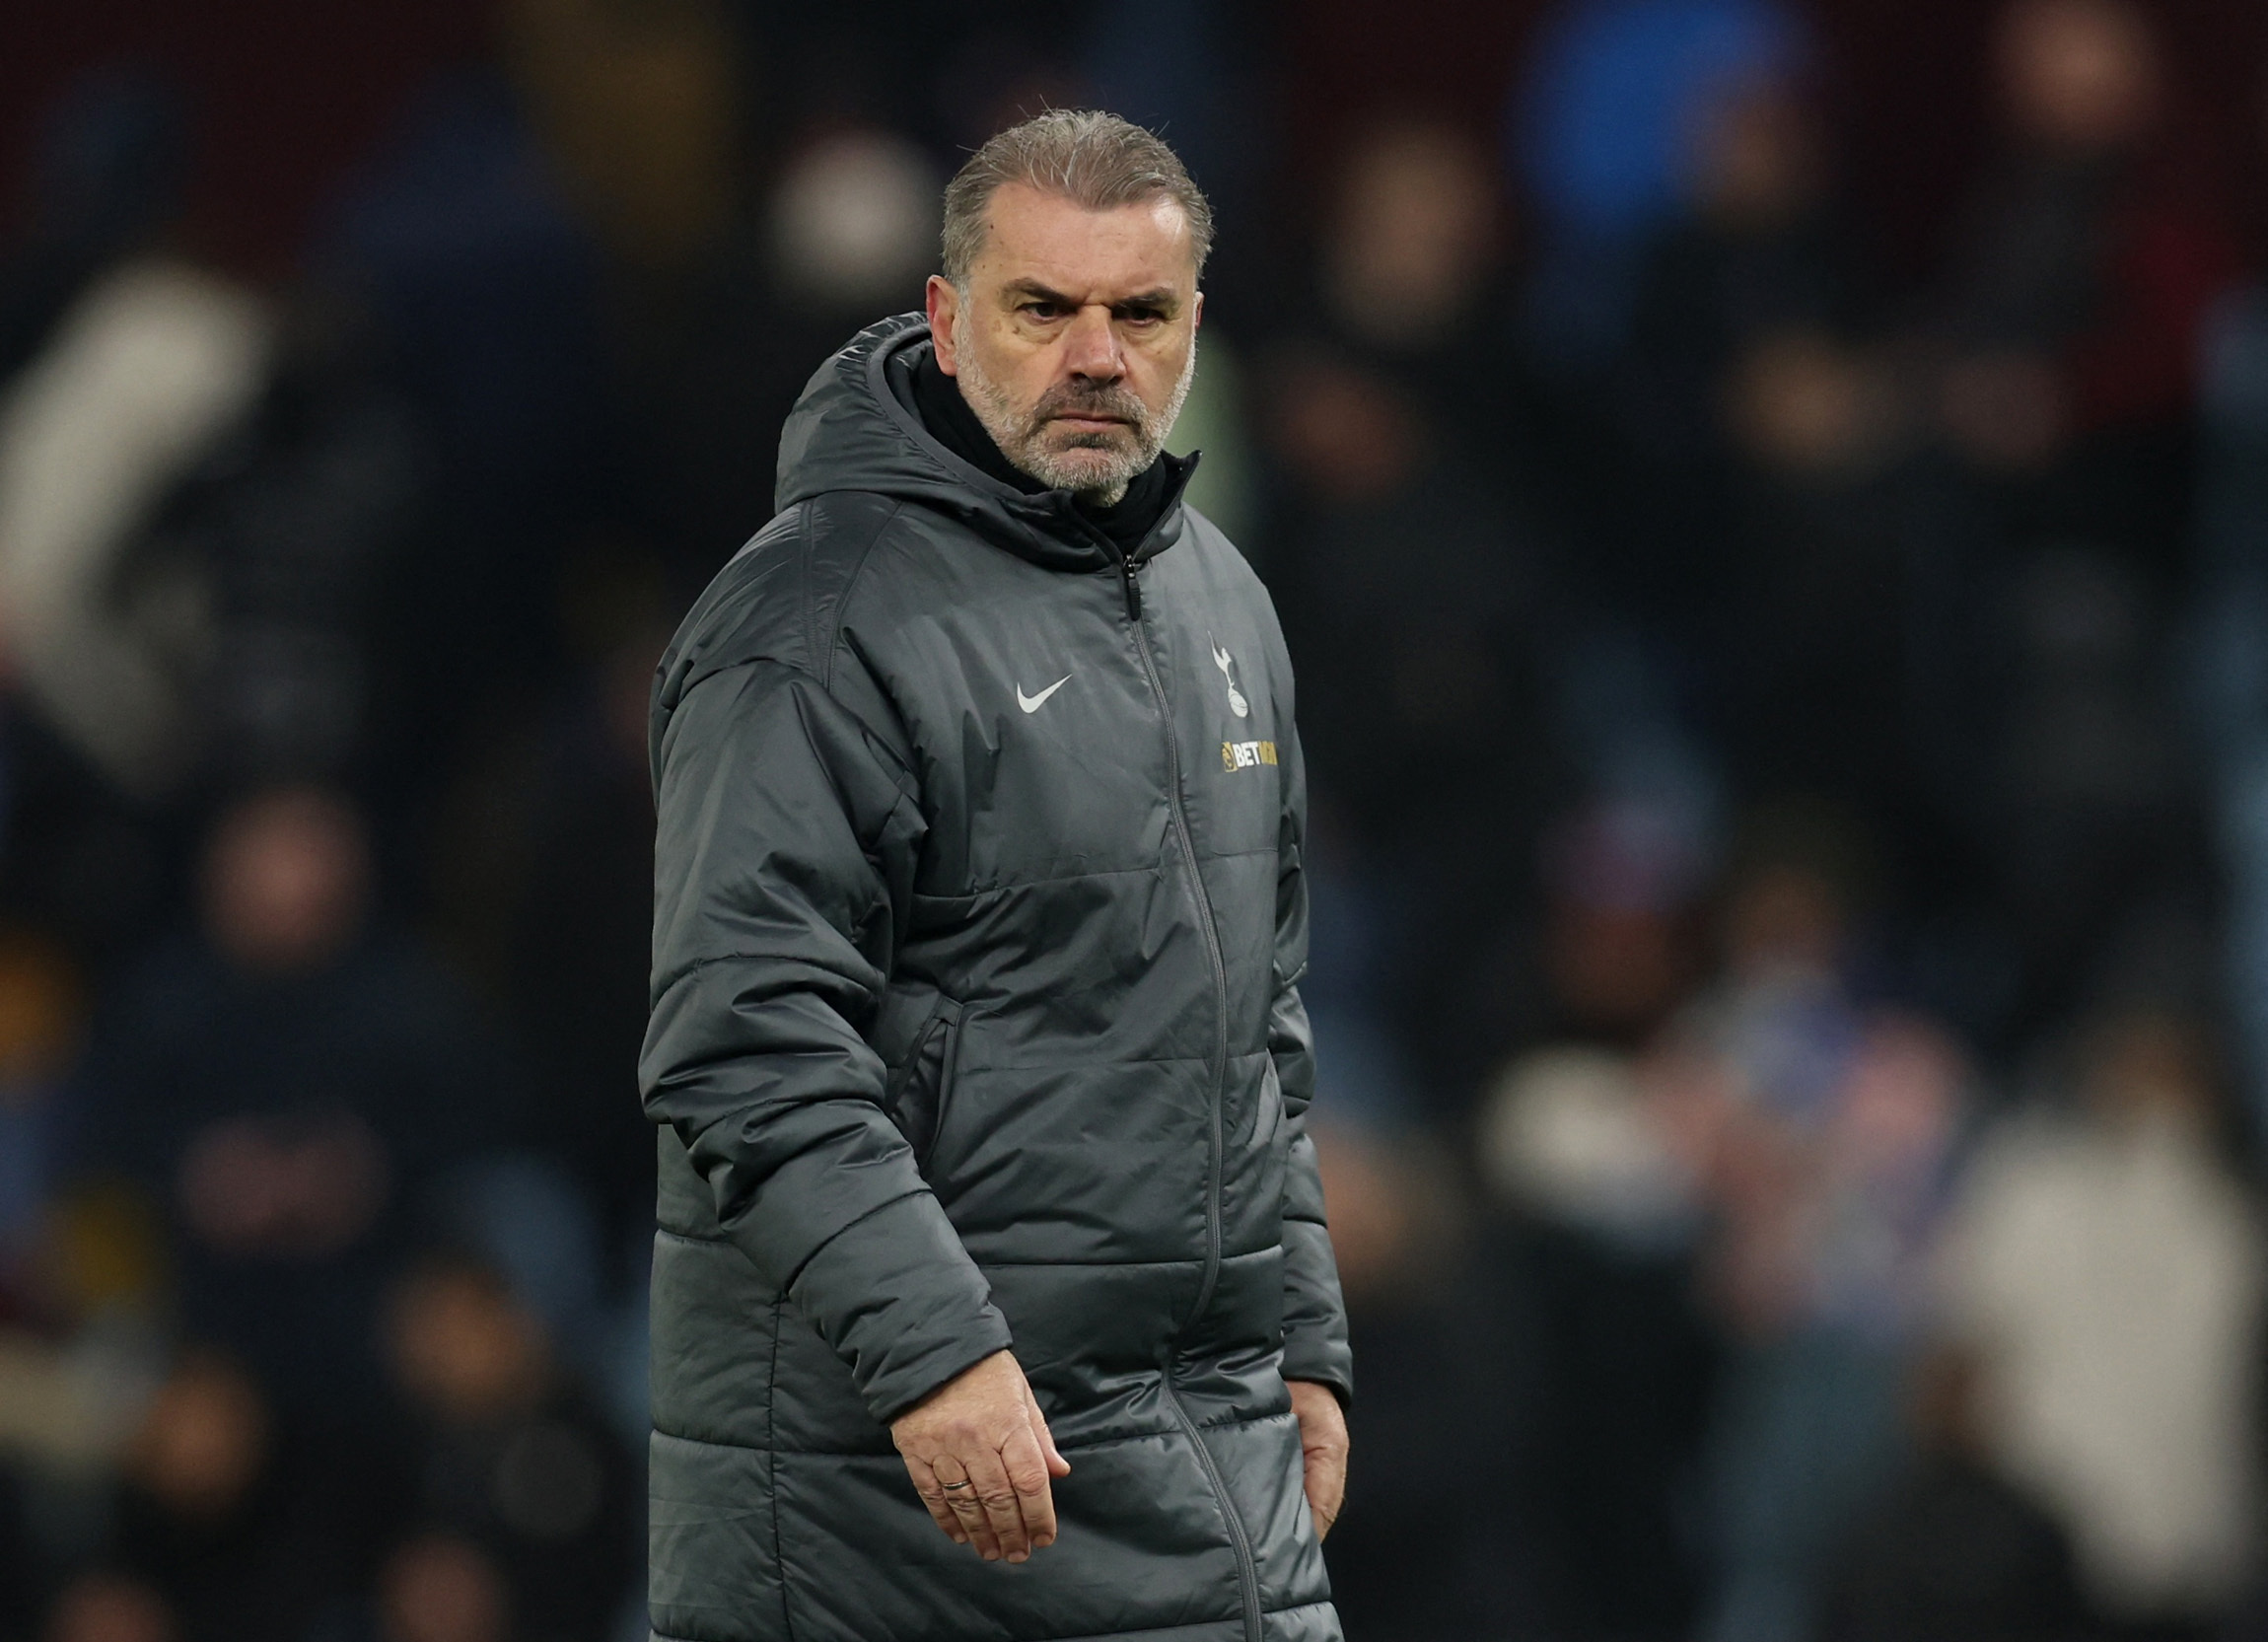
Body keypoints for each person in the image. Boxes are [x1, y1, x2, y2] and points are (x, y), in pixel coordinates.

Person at [640, 111, 1352, 1642]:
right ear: (950, 322)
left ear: (1194, 330)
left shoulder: (1220, 597)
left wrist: (1304, 1334)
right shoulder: (814, 622)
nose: (1097, 354)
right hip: (889, 1494)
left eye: (1139, 312)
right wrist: (936, 1358)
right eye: (1045, 308)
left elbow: (1259, 1025)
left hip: (1202, 1461)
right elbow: (745, 1040)